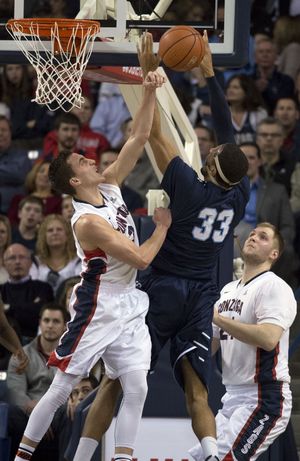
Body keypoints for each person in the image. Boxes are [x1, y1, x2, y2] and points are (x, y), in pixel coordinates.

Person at [72, 31, 249, 461]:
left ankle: (82, 455)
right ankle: (211, 454)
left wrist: (150, 76)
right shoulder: (239, 195)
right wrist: (209, 76)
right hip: (202, 291)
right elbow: (227, 135)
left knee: (117, 381)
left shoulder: (188, 186)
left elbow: (150, 136)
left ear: (209, 162)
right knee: (197, 388)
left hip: (162, 289)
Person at [13, 68, 170, 461]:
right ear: (74, 182)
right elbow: (141, 257)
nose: (90, 158)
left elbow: (137, 137)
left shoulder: (109, 185)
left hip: (129, 301)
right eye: (82, 161)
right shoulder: (87, 222)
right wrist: (162, 227)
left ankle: (121, 458)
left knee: (137, 388)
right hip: (98, 303)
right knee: (61, 387)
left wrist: (148, 93)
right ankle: (22, 457)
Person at [189, 222, 297, 460]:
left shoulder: (275, 287)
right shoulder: (227, 290)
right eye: (252, 234)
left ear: (274, 254)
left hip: (264, 397)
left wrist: (217, 318)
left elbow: (269, 339)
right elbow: (211, 346)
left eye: (263, 237)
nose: (254, 237)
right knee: (200, 457)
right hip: (232, 396)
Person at [7, 303, 68, 460]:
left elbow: (73, 389)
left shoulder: (72, 356)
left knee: (70, 412)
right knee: (11, 412)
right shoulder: (21, 355)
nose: (50, 325)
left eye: (55, 321)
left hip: (58, 413)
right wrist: (37, 413)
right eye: (46, 320)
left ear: (65, 326)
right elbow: (15, 391)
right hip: (28, 413)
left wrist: (45, 413)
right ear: (40, 323)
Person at [234, 141, 297, 286]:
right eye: (242, 158)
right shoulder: (224, 191)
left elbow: (288, 227)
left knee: (286, 250)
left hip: (264, 241)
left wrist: (274, 243)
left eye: (251, 158)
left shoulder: (277, 191)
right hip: (234, 240)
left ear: (260, 161)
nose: (247, 162)